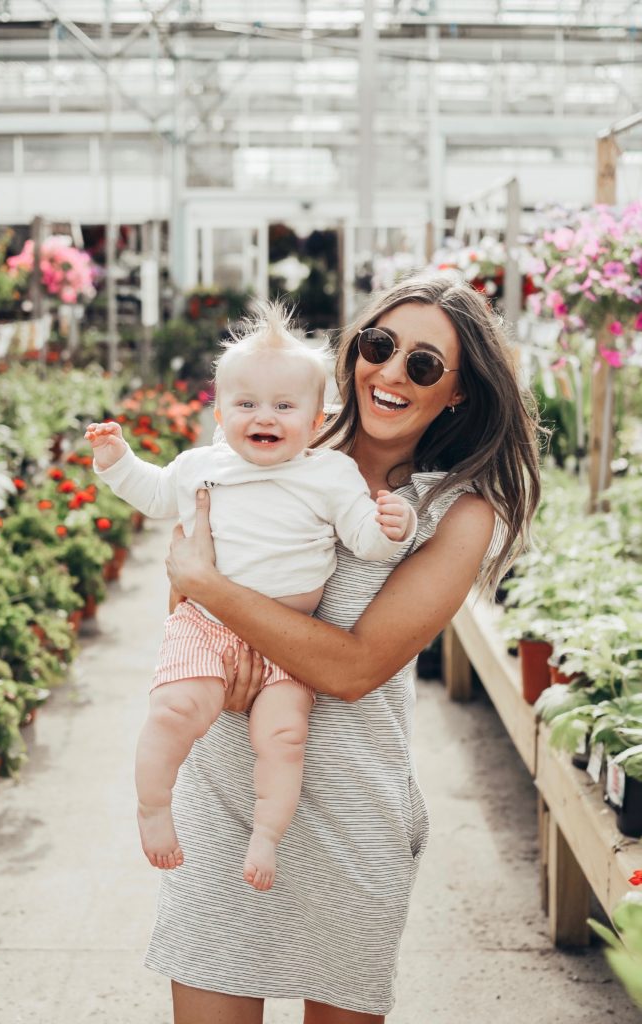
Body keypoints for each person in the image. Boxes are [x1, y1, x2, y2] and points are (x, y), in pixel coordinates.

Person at [147, 273, 542, 1024]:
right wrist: (199, 598)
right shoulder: (271, 437)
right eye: (379, 345)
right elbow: (182, 606)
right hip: (227, 797)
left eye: (423, 364)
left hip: (351, 818)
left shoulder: (456, 515)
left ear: (457, 393)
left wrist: (211, 585)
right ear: (354, 351)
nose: (391, 372)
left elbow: (354, 668)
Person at [84, 306, 416, 891]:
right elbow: (157, 496)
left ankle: (266, 835)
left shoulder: (331, 475)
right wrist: (118, 463)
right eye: (246, 405)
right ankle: (153, 807)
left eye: (285, 407)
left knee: (285, 738)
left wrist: (395, 524)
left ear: (317, 421)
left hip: (290, 638)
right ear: (219, 415)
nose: (264, 416)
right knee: (173, 711)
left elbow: (365, 542)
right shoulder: (201, 467)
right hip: (207, 623)